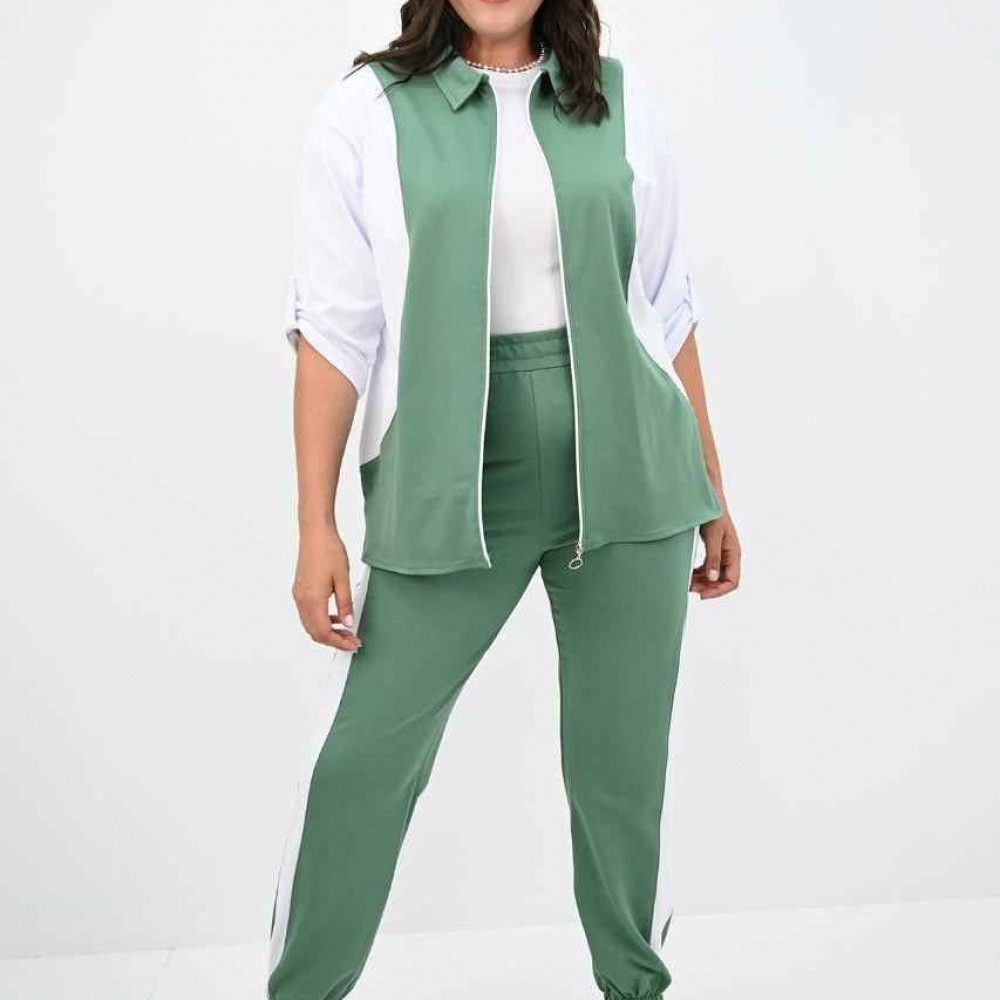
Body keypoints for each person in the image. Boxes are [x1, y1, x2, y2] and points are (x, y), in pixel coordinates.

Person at [268, 1, 741, 997]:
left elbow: (665, 303)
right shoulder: (365, 112)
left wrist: (711, 487)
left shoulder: (621, 101)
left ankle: (635, 984)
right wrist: (316, 524)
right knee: (363, 762)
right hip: (449, 477)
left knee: (622, 773)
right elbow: (334, 329)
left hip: (633, 469)